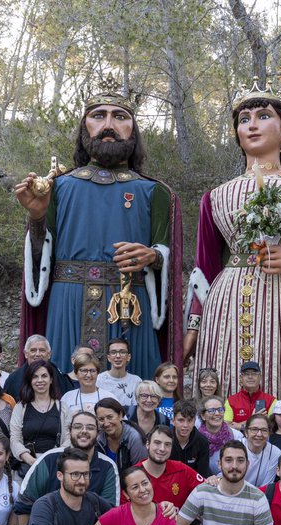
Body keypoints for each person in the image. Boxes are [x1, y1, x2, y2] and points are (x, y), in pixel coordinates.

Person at [15, 81, 182, 379]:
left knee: (135, 393)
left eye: (119, 116)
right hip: (69, 301)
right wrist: (37, 219)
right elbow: (42, 259)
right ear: (84, 128)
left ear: (133, 129)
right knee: (64, 386)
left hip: (130, 301)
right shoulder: (59, 186)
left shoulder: (154, 191)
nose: (108, 125)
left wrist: (153, 257)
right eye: (98, 116)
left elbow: (167, 256)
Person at [185, 87, 281, 400]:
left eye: (264, 117)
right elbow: (204, 267)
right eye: (244, 119)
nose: (252, 125)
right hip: (226, 301)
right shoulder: (215, 196)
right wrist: (193, 328)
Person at [15, 414, 119, 525]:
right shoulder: (49, 459)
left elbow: (109, 515)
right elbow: (24, 504)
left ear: (98, 433)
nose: (84, 431)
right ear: (69, 431)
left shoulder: (108, 466)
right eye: (77, 427)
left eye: (90, 427)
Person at [10, 360, 71, 474]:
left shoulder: (63, 407)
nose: (40, 380)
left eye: (44, 376)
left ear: (51, 379)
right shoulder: (20, 407)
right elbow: (15, 439)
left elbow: (68, 438)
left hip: (56, 465)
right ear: (30, 380)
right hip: (27, 465)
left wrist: (53, 458)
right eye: (35, 377)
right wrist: (30, 460)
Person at [135, 426, 205, 510]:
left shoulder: (182, 470)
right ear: (147, 444)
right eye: (157, 443)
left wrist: (214, 480)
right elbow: (124, 511)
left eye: (167, 444)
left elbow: (206, 490)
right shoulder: (134, 475)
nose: (162, 449)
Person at [95, 398, 147, 467]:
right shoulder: (99, 437)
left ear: (120, 415)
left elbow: (140, 470)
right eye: (101, 419)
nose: (106, 423)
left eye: (110, 417)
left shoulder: (134, 438)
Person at [223, 361, 275, 429]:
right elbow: (225, 427)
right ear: (241, 378)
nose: (250, 377)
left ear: (260, 377)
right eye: (246, 374)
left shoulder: (271, 401)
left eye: (254, 374)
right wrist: (253, 419)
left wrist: (239, 426)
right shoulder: (231, 401)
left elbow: (272, 427)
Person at [199, 395, 243, 473]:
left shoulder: (236, 436)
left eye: (220, 409)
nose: (217, 413)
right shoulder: (197, 438)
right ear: (203, 416)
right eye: (211, 410)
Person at [170, 400, 211, 477]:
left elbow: (202, 475)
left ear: (194, 421)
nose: (185, 425)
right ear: (173, 421)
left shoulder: (202, 442)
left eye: (189, 420)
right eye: (181, 420)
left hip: (192, 486)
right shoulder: (166, 440)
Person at [96, 338, 142, 406]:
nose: (118, 356)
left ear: (128, 357)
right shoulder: (98, 380)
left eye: (122, 352)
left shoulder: (136, 381)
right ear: (108, 357)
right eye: (113, 352)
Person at [241, 413, 281, 488]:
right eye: (254, 429)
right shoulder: (236, 446)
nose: (259, 434)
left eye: (264, 430)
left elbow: (266, 486)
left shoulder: (275, 452)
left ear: (269, 433)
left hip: (258, 496)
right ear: (246, 432)